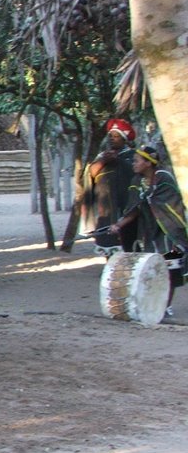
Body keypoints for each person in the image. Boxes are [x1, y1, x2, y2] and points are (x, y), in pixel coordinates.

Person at [109, 146, 187, 317]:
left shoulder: (164, 179)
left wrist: (150, 199)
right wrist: (119, 225)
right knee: (151, 268)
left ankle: (165, 307)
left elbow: (173, 206)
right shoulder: (137, 182)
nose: (133, 164)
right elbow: (134, 209)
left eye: (137, 160)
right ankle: (153, 304)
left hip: (169, 230)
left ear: (148, 162)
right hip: (148, 230)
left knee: (170, 268)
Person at [82, 118, 138, 253]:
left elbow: (136, 174)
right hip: (106, 209)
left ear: (125, 139)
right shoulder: (102, 156)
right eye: (110, 136)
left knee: (130, 244)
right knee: (109, 244)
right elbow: (91, 173)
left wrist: (118, 161)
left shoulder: (133, 156)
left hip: (127, 205)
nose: (112, 139)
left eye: (117, 136)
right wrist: (104, 161)